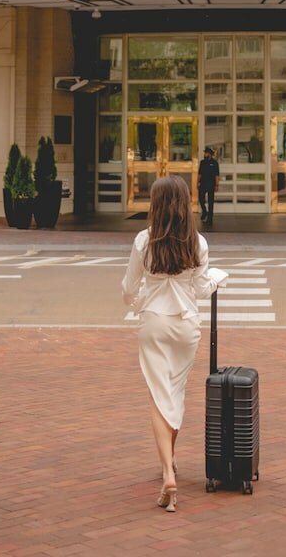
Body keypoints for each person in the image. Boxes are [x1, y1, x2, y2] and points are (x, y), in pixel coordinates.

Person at [122, 175, 227, 513]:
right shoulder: (197, 243)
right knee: (174, 393)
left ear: (155, 204)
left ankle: (168, 471)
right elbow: (199, 289)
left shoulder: (143, 240)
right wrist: (219, 277)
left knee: (158, 394)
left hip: (153, 322)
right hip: (185, 327)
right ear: (184, 204)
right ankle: (172, 458)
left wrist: (138, 302)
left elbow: (128, 288)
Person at [197, 146, 220, 229]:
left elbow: (216, 175)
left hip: (211, 184)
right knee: (201, 199)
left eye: (206, 153)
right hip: (203, 183)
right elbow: (200, 174)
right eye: (205, 153)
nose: (205, 154)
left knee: (211, 201)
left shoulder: (215, 163)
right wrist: (198, 182)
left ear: (210, 154)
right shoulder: (202, 162)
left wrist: (217, 185)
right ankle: (204, 211)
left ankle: (210, 218)